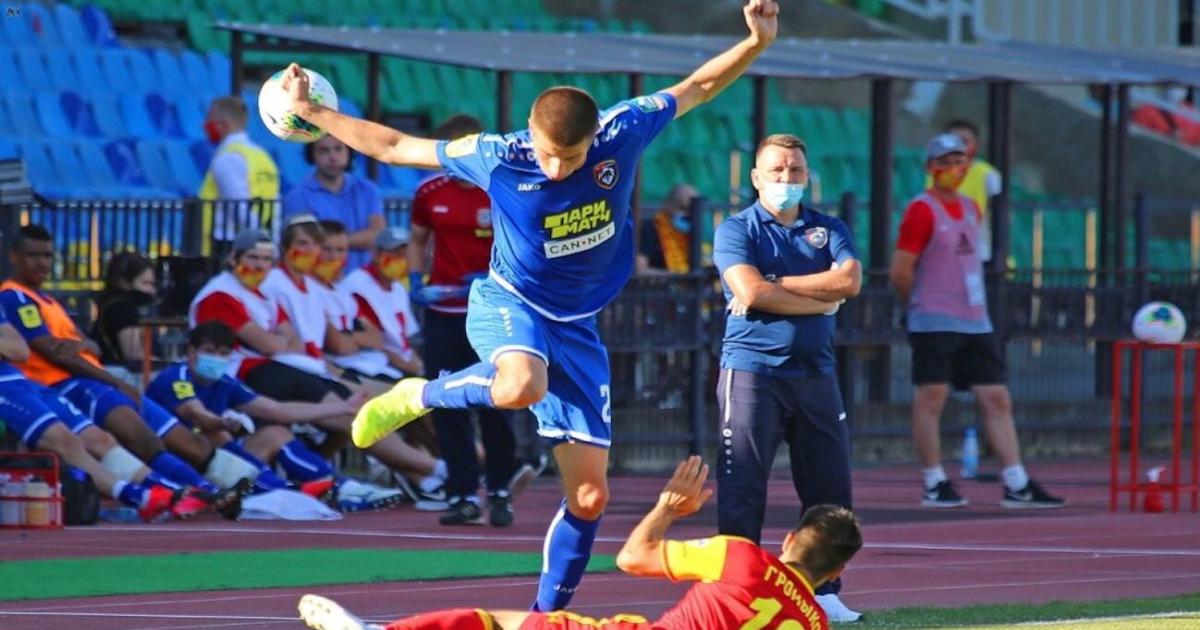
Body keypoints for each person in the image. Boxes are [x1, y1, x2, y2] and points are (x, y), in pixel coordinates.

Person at [281, 0, 779, 610]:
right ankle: (418, 395)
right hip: (511, 302)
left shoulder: (624, 129)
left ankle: (546, 618)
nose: (556, 167)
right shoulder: (498, 155)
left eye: (571, 157)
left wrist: (755, 43)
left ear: (595, 138)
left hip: (578, 326)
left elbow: (697, 86)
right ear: (530, 133)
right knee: (519, 385)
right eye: (547, 153)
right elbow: (392, 145)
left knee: (590, 499)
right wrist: (314, 113)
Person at [297, 456, 864, 630]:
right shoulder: (814, 622)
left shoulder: (742, 556)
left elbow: (632, 558)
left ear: (790, 539)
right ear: (837, 571)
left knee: (503, 622)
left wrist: (667, 510)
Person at [712, 133, 863, 622]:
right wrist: (821, 301)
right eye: (776, 170)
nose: (786, 178)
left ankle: (824, 591)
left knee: (830, 488)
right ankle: (737, 593)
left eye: (795, 170)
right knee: (743, 486)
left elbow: (849, 281)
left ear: (807, 176)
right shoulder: (736, 230)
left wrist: (778, 283)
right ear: (756, 177)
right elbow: (750, 293)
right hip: (753, 374)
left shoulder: (828, 228)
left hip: (817, 374)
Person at [191, 227, 446, 508]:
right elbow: (273, 343)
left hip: (297, 367)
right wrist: (280, 342)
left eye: (265, 259)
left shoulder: (261, 293)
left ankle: (429, 475)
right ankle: (437, 470)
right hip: (253, 374)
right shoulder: (222, 294)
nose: (260, 266)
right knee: (360, 414)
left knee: (380, 407)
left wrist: (280, 343)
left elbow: (293, 340)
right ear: (233, 258)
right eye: (253, 258)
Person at [1, 225, 243, 517]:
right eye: (34, 255)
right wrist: (111, 378)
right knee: (133, 438)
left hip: (77, 381)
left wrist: (80, 347)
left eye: (48, 256)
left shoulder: (47, 300)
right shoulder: (14, 296)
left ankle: (205, 491)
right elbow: (53, 350)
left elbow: (86, 344)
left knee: (158, 439)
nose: (42, 263)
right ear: (14, 257)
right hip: (67, 383)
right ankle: (181, 493)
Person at [890, 134, 1066, 510]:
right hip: (935, 319)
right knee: (932, 396)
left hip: (975, 319)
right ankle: (934, 481)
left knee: (996, 397)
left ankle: (1016, 482)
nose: (953, 169)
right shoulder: (922, 210)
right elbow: (901, 270)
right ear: (931, 168)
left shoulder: (971, 207)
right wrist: (916, 306)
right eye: (945, 162)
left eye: (959, 161)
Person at [408, 113, 534, 528]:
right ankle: (461, 493)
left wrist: (492, 275)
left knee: (497, 402)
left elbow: (525, 244)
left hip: (492, 313)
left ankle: (500, 490)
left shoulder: (500, 188)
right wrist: (415, 278)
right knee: (447, 401)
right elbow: (418, 238)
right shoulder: (429, 192)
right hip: (444, 312)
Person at [145, 322, 404, 512]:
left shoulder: (225, 382)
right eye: (209, 351)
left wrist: (343, 408)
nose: (217, 359)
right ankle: (284, 492)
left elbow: (278, 410)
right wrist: (223, 423)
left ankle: (333, 485)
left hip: (215, 459)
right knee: (216, 434)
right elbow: (195, 414)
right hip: (175, 459)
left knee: (275, 432)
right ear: (191, 352)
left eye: (223, 353)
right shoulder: (176, 377)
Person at [282, 134, 385, 270]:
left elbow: (379, 236)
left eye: (338, 149)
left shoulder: (368, 190)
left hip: (364, 279)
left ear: (349, 151)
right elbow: (304, 244)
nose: (333, 157)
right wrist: (358, 239)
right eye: (324, 151)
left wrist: (332, 242)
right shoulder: (297, 196)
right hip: (317, 280)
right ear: (312, 155)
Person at [199, 95, 281, 255]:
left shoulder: (228, 158)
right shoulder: (262, 156)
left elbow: (239, 208)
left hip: (230, 243)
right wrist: (271, 242)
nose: (205, 125)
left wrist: (259, 242)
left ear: (223, 125)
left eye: (209, 119)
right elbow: (275, 205)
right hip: (260, 237)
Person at [339, 227, 425, 377]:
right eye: (395, 254)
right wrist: (410, 367)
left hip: (403, 364)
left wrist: (418, 366)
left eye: (405, 255)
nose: (401, 260)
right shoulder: (357, 284)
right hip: (373, 364)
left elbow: (409, 338)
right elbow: (373, 341)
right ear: (376, 254)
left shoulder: (398, 288)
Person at [924, 119, 1001, 262]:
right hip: (942, 248)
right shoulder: (933, 175)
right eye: (953, 141)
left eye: (964, 141)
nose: (958, 147)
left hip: (978, 249)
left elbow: (999, 216)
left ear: (976, 145)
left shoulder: (989, 175)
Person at [92, 251, 158, 369]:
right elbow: (134, 356)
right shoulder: (122, 309)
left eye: (152, 284)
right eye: (145, 284)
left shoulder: (113, 305)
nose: (151, 290)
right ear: (124, 283)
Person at [637, 183, 698, 275]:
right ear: (667, 204)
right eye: (682, 208)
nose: (686, 214)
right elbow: (639, 270)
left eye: (690, 210)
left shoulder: (692, 231)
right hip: (660, 283)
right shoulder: (651, 228)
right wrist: (676, 276)